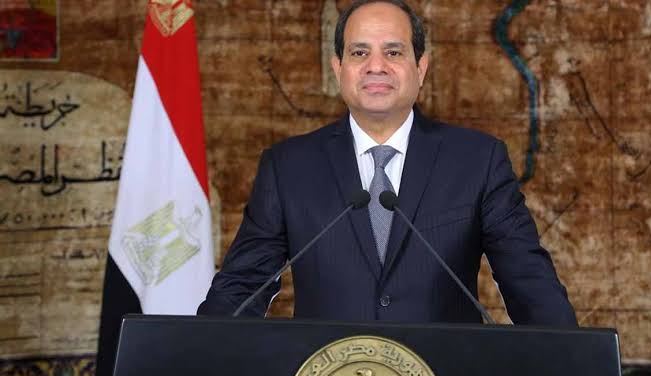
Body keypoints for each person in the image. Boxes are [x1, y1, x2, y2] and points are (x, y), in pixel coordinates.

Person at [198, 0, 577, 325]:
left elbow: (528, 280)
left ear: (421, 67)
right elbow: (242, 287)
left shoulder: (478, 160)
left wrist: (570, 362)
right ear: (338, 68)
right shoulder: (288, 167)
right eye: (359, 53)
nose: (375, 66)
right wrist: (196, 360)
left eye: (393, 52)